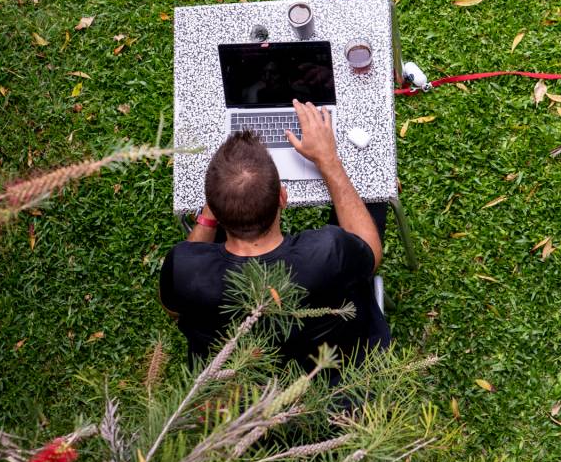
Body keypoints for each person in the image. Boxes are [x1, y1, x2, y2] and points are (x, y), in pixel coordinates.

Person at [159, 99, 389, 382]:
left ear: (215, 212)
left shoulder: (183, 267)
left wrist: (211, 211)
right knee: (372, 200)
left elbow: (173, 309)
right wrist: (329, 162)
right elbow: (372, 252)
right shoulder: (329, 251)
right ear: (283, 197)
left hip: (240, 391)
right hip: (333, 376)